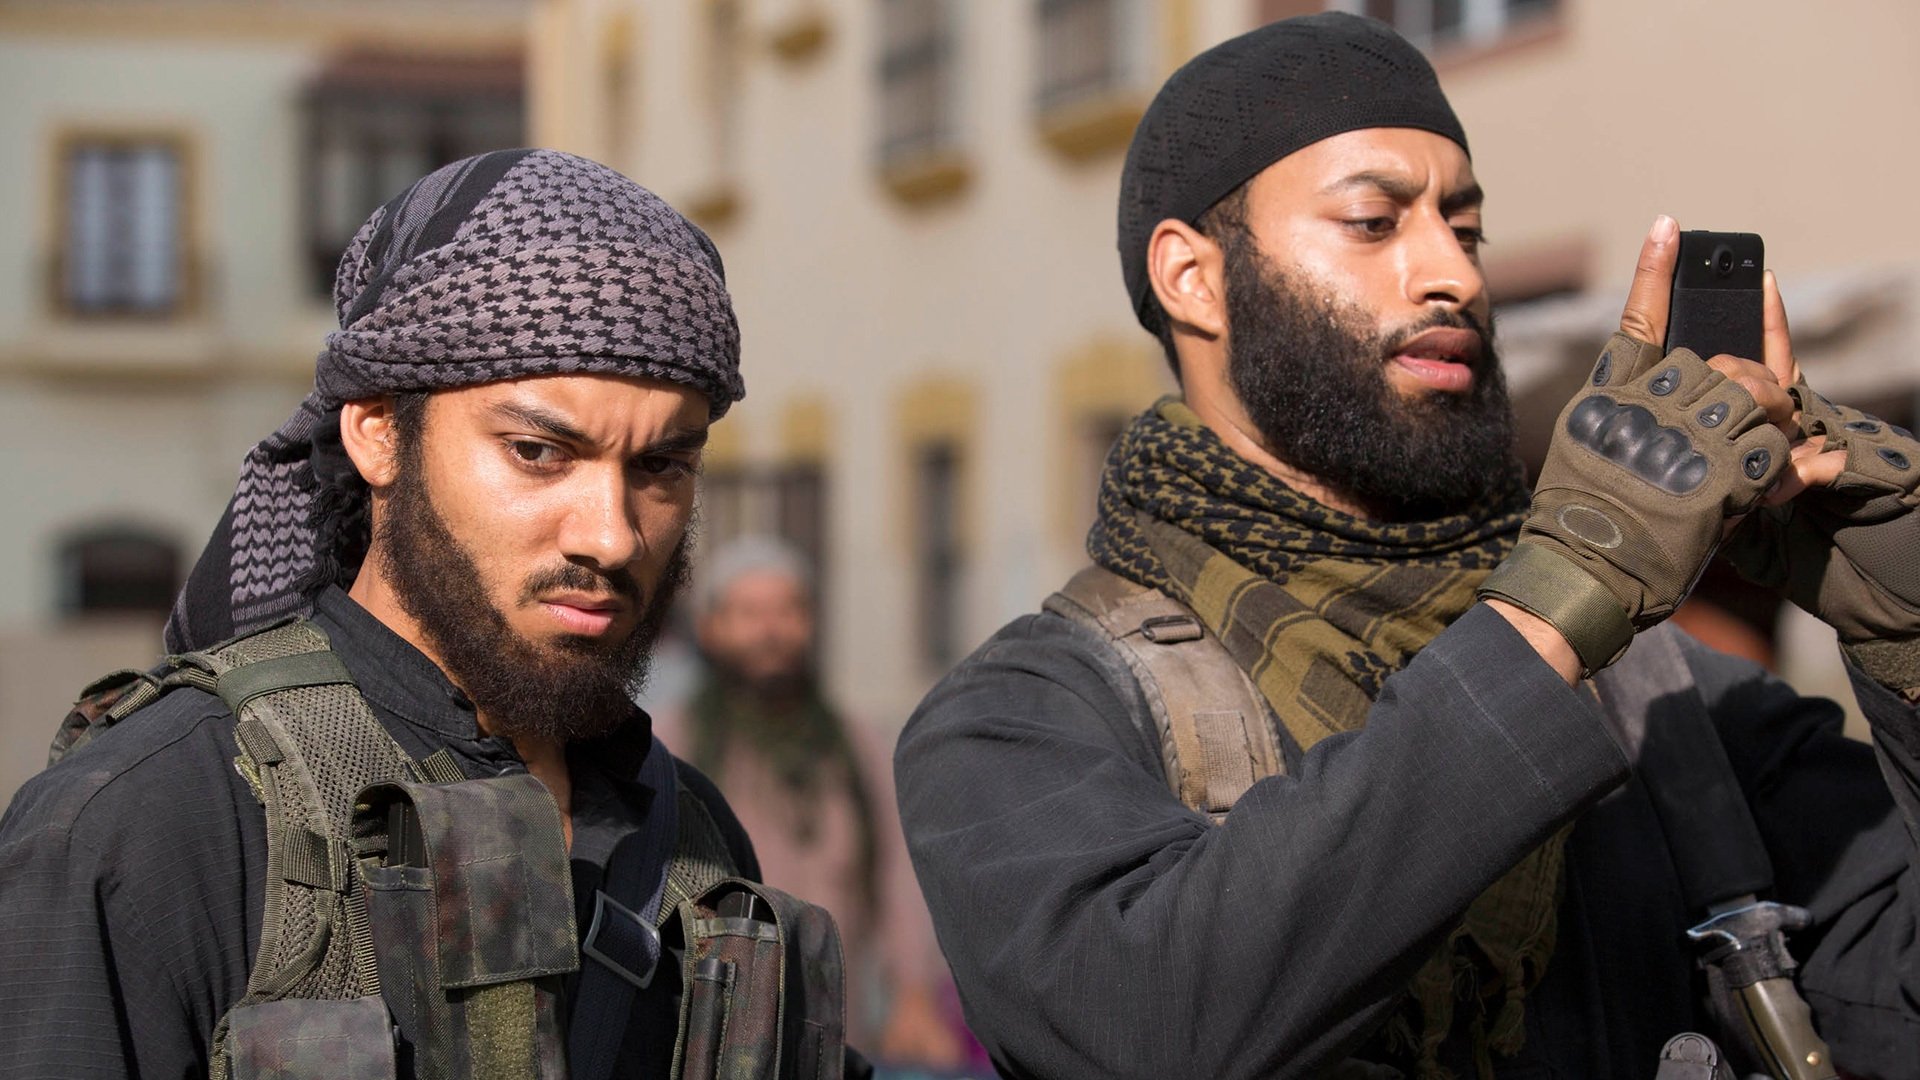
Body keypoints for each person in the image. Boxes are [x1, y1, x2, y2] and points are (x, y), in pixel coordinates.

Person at [893, 13, 1920, 1079]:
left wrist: (1910, 633)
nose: (1454, 275)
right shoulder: (1024, 715)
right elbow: (1144, 1027)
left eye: (1466, 231)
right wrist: (1565, 592)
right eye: (1373, 222)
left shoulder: (1664, 695)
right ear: (1192, 277)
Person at [0, 149, 844, 1078]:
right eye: (537, 452)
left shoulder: (686, 830)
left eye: (660, 466)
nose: (610, 535)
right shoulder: (155, 822)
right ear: (377, 432)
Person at [655, 537, 971, 1069]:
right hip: (708, 1038)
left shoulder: (854, 744)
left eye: (788, 610)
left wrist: (914, 990)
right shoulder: (673, 745)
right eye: (749, 613)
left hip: (835, 1032)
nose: (770, 630)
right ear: (711, 627)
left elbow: (899, 876)